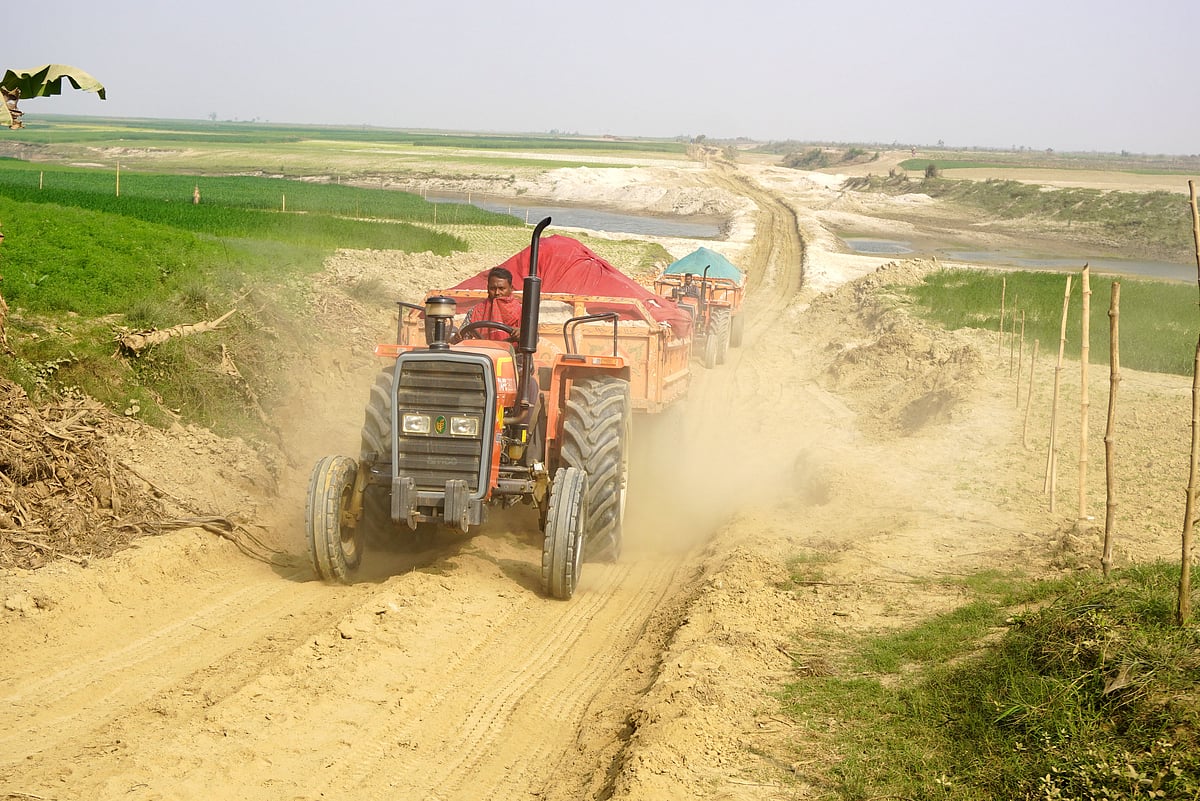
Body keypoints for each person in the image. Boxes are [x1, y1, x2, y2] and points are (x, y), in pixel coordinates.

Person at [453, 266, 522, 342]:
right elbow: (462, 337)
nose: (497, 293)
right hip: (482, 351)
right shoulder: (476, 311)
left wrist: (522, 333)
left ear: (511, 288)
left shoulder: (521, 311)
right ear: (487, 288)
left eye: (501, 289)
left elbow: (533, 338)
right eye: (492, 289)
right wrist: (458, 337)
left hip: (512, 352)